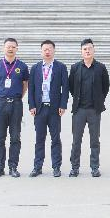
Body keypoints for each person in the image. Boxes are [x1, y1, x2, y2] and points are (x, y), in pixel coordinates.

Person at [67, 38, 110, 177]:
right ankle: (74, 167)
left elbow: (105, 86)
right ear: (81, 51)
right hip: (79, 110)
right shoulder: (75, 68)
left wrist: (99, 100)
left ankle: (94, 167)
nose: (87, 51)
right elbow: (71, 87)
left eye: (89, 48)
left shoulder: (101, 67)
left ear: (93, 50)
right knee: (76, 141)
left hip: (94, 110)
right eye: (84, 49)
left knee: (94, 141)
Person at [0, 37, 29, 179]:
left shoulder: (22, 66)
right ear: (3, 48)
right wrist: (0, 96)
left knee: (15, 137)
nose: (10, 49)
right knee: (0, 137)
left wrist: (17, 97)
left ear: (17, 48)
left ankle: (13, 167)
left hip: (16, 104)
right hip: (0, 104)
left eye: (13, 47)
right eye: (8, 46)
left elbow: (25, 85)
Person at [28, 39, 70, 177]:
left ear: (54, 50)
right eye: (45, 49)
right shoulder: (35, 68)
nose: (47, 51)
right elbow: (31, 88)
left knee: (55, 138)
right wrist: (32, 105)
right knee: (39, 139)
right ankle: (37, 167)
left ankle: (56, 166)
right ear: (41, 51)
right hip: (39, 109)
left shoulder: (60, 67)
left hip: (54, 109)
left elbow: (65, 88)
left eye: (50, 49)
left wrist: (63, 105)